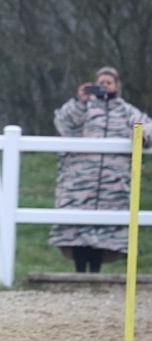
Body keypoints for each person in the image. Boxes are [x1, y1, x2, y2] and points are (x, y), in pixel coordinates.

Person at [49, 66, 152, 272]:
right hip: (79, 183)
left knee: (103, 233)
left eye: (108, 83)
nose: (104, 86)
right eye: (101, 83)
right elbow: (64, 124)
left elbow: (145, 125)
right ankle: (79, 273)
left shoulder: (126, 111)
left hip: (112, 186)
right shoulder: (83, 108)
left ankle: (95, 274)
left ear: (116, 86)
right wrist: (79, 101)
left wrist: (142, 136)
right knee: (78, 229)